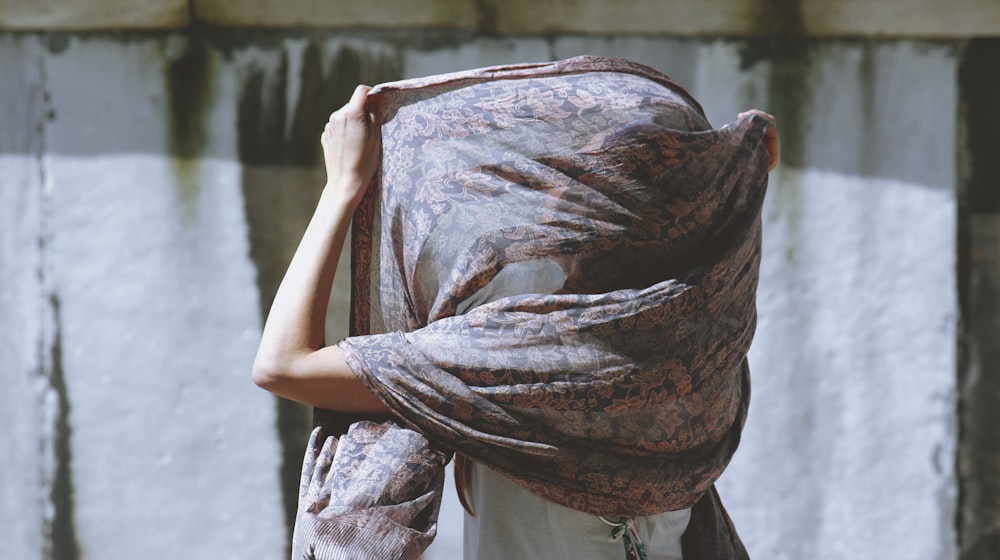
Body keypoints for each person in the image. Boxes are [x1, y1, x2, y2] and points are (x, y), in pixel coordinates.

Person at [253, 58, 780, 560]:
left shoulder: (516, 353)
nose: (539, 207)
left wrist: (343, 188)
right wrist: (739, 175)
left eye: (561, 187)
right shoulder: (704, 339)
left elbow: (284, 364)